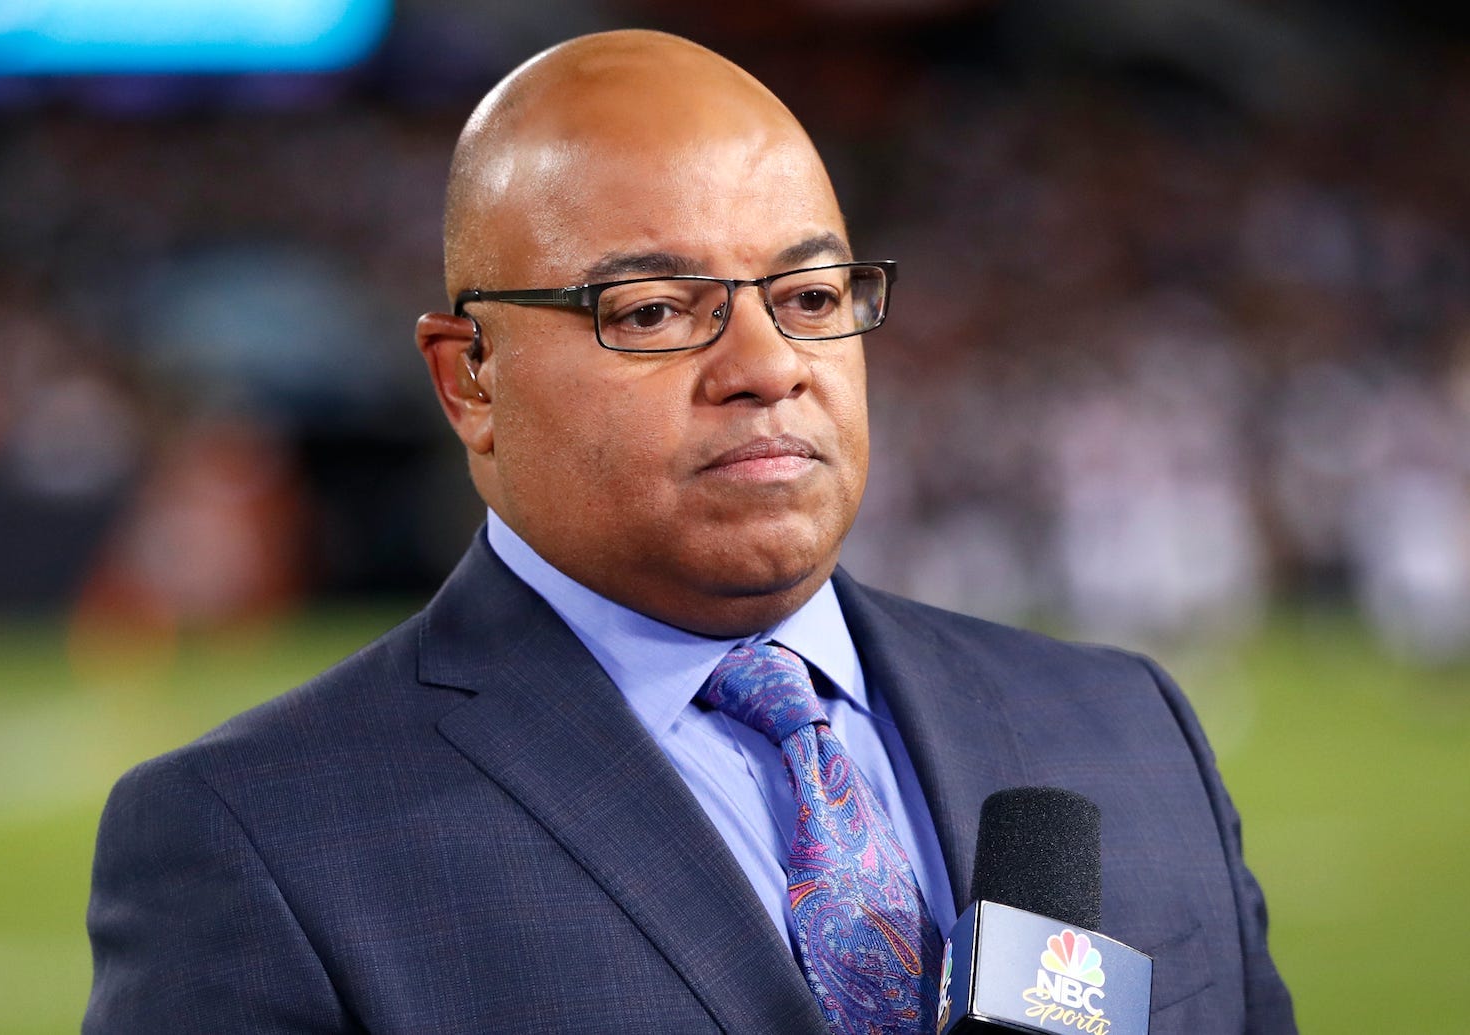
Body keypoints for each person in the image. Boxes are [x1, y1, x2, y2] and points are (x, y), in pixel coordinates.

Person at [82, 30, 1294, 1034]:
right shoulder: (257, 838)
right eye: (655, 310)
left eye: (811, 297)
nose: (769, 367)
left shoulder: (1127, 730)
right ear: (472, 381)